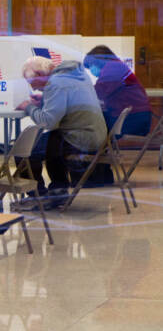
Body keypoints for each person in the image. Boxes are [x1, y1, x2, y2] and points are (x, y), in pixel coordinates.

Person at [16, 57, 107, 208]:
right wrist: (45, 100)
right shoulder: (75, 74)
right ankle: (58, 190)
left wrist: (28, 107)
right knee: (49, 141)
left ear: (40, 74)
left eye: (32, 83)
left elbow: (48, 122)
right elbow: (68, 102)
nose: (33, 89)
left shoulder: (56, 83)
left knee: (23, 150)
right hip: (95, 134)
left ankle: (38, 195)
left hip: (81, 137)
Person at [83, 45, 152, 136]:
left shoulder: (113, 67)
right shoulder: (117, 66)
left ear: (97, 60)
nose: (91, 69)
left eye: (90, 65)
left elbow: (97, 92)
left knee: (87, 128)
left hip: (133, 119)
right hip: (138, 117)